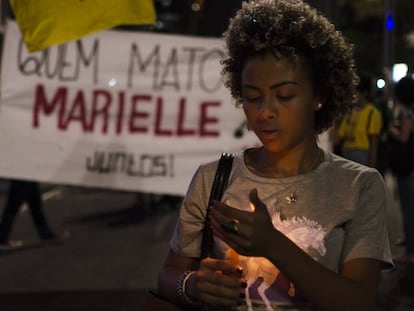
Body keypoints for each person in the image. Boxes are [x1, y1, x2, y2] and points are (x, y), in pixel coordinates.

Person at [157, 1, 393, 310]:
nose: (265, 112)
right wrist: (192, 285)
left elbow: (360, 301)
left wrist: (273, 246)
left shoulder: (360, 186)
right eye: (252, 97)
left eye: (284, 96)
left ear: (319, 95)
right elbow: (168, 275)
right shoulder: (212, 178)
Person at [387, 75, 414, 262]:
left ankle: (410, 252)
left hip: (407, 166)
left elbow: (404, 137)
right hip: (410, 165)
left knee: (408, 207)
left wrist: (391, 130)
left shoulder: (406, 113)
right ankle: (408, 241)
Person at [0, 179, 69, 251]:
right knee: (13, 207)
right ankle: (2, 239)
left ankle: (46, 234)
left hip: (28, 176)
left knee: (35, 204)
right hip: (23, 176)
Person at [336, 72, 383, 167]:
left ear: (364, 93)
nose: (353, 96)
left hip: (362, 155)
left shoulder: (372, 113)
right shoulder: (350, 112)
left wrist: (371, 166)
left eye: (356, 92)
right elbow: (339, 135)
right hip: (346, 154)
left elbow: (374, 143)